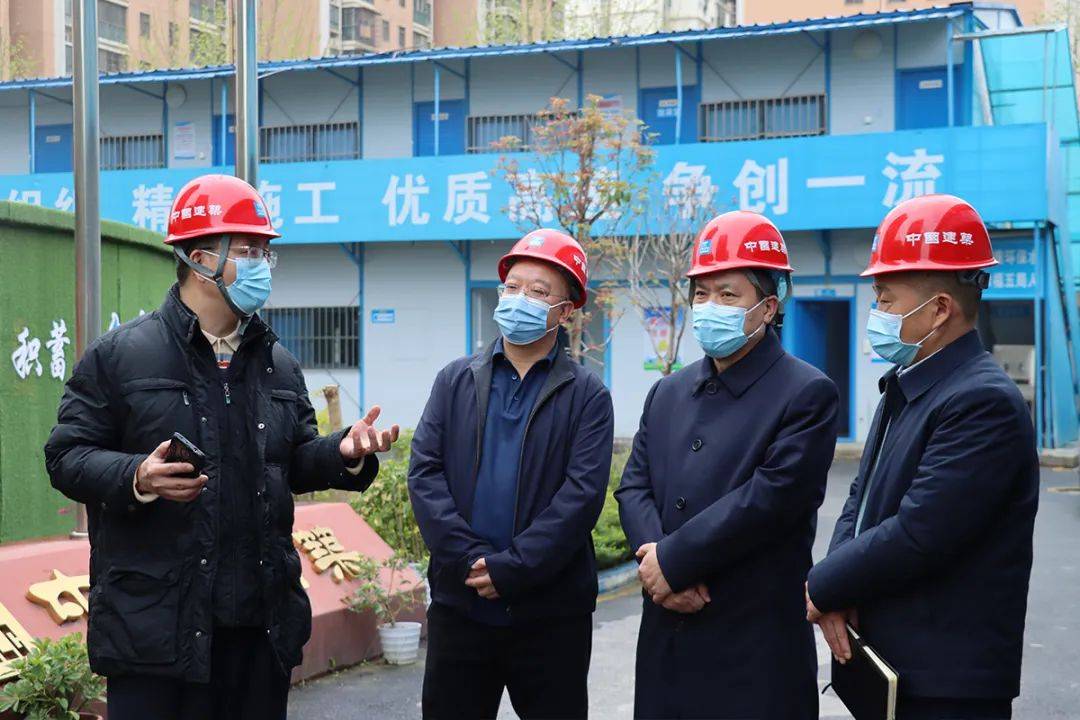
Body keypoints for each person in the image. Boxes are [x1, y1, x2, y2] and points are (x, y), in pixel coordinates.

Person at [44, 174, 400, 720]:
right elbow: (67, 456)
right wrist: (138, 476)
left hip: (259, 629)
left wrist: (343, 452)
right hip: (156, 633)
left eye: (265, 251)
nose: (261, 264)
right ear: (199, 256)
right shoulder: (120, 357)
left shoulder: (275, 361)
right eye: (248, 250)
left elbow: (291, 459)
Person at [806, 194, 1039, 720]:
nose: (877, 313)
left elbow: (919, 532)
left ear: (939, 309)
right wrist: (838, 583)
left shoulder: (983, 402)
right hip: (889, 662)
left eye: (886, 299)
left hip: (948, 682)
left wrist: (822, 587)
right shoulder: (908, 387)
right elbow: (861, 500)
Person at [616, 210, 840, 720]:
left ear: (768, 305)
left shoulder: (806, 393)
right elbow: (633, 487)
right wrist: (655, 566)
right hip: (667, 641)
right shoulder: (668, 390)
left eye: (727, 294)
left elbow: (771, 500)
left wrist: (673, 563)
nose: (708, 307)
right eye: (701, 293)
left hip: (753, 648)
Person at [408, 229, 614, 720]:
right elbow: (425, 472)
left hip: (550, 615)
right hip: (462, 607)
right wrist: (471, 561)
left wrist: (513, 569)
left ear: (565, 312)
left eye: (539, 292)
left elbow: (581, 498)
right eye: (513, 287)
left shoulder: (588, 396)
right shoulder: (455, 379)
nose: (520, 299)